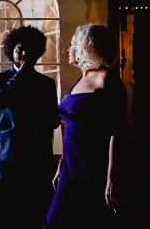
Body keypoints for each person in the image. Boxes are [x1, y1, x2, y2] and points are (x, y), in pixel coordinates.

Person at [44, 23, 128, 228]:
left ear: (85, 48)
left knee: (90, 219)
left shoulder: (107, 81)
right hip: (71, 162)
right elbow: (72, 126)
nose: (68, 49)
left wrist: (111, 178)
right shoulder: (82, 78)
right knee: (56, 220)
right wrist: (62, 163)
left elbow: (117, 134)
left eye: (73, 45)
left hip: (91, 162)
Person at [0, 25, 62, 228]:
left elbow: (53, 120)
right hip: (6, 155)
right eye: (19, 48)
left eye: (28, 48)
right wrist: (21, 74)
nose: (23, 52)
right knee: (8, 207)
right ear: (11, 50)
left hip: (37, 155)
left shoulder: (46, 84)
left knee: (36, 208)